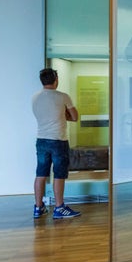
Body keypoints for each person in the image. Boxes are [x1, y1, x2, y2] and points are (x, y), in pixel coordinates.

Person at [32, 68, 81, 219]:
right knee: (59, 174)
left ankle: (38, 208)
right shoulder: (63, 97)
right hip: (58, 140)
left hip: (41, 140)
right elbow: (74, 117)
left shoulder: (35, 97)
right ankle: (59, 207)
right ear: (56, 79)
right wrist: (62, 113)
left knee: (41, 174)